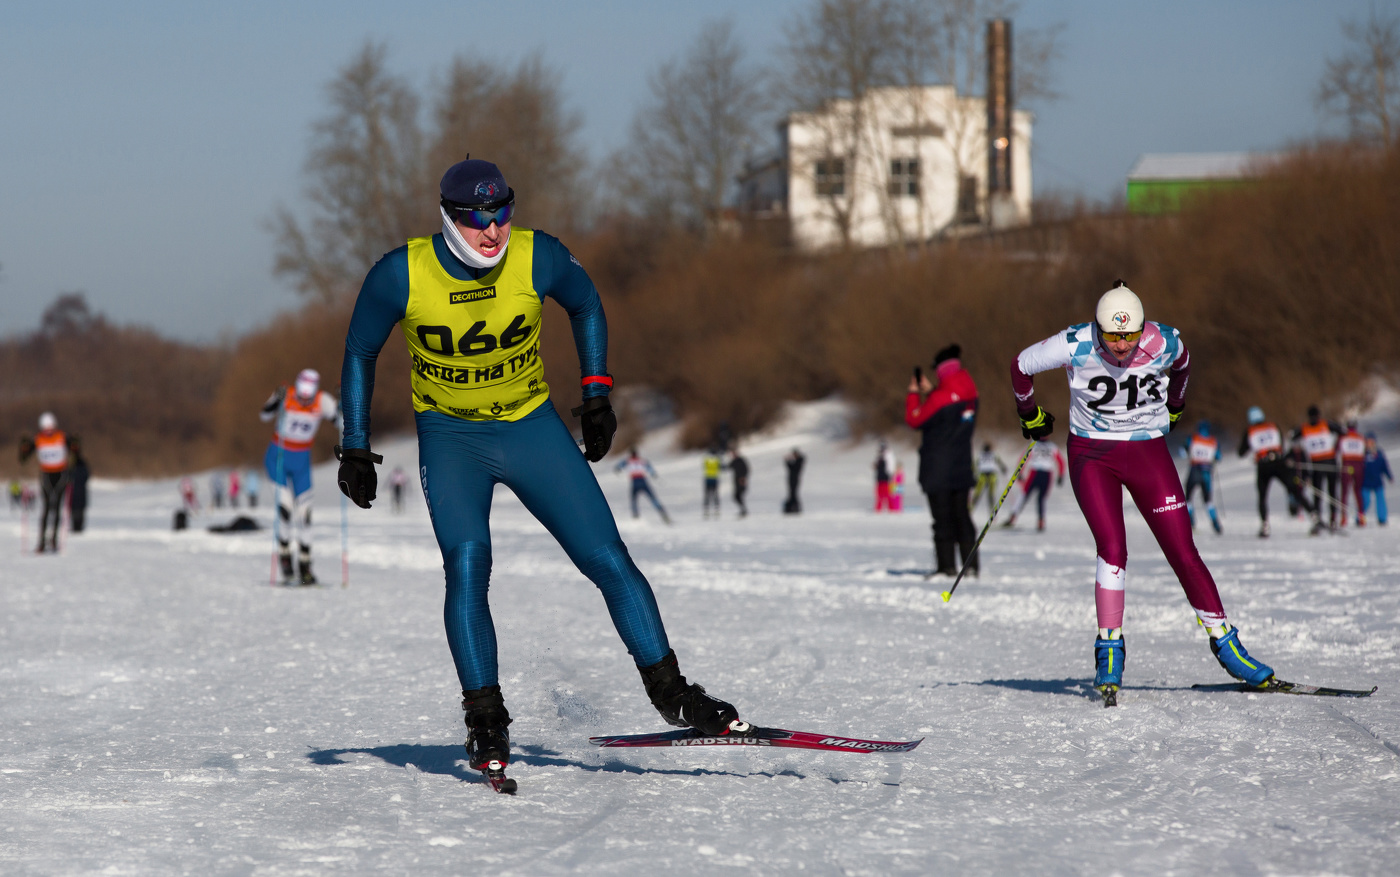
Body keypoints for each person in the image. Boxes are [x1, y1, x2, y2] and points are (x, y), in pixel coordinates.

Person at [333, 158, 744, 782]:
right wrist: (355, 447)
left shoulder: (536, 256)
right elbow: (361, 350)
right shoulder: (402, 274)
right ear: (447, 218)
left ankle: (672, 693)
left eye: (502, 213)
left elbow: (586, 304)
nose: (492, 231)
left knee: (608, 557)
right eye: (476, 220)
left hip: (531, 428)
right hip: (451, 440)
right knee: (468, 564)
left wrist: (598, 391)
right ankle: (486, 718)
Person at [1011, 280, 1279, 704]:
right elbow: (1021, 366)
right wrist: (1030, 415)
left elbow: (1185, 365)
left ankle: (1226, 644)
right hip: (1092, 455)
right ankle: (1109, 649)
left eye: (1129, 335)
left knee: (1182, 549)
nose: (1121, 345)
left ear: (1142, 328)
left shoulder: (1164, 340)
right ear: (1098, 327)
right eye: (1112, 335)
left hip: (1148, 453)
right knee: (1112, 548)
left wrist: (1176, 404)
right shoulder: (1075, 342)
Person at [260, 368, 339, 585]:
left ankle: (305, 565)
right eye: (302, 394)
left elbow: (341, 422)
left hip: (302, 461)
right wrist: (276, 400)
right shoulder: (286, 393)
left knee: (305, 513)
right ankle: (285, 558)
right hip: (278, 458)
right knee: (285, 509)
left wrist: (343, 406)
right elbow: (264, 415)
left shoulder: (322, 400)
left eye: (309, 395)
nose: (305, 399)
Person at [906, 344, 978, 577]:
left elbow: (914, 419)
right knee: (962, 516)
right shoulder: (970, 391)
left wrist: (913, 394)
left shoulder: (938, 398)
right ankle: (971, 567)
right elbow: (948, 407)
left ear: (941, 369)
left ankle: (946, 567)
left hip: (938, 468)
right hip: (962, 465)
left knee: (943, 520)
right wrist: (933, 391)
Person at [1238, 406, 1317, 538]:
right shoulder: (1273, 426)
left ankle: (1265, 526)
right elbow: (1281, 444)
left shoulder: (1250, 430)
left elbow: (1241, 452)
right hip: (1279, 462)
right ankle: (1314, 516)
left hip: (1263, 465)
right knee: (1294, 489)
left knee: (1262, 496)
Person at [17, 412, 73, 553]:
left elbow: (75, 449)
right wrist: (23, 448)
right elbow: (23, 458)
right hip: (46, 475)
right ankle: (41, 542)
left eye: (51, 427)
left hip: (61, 474)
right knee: (47, 508)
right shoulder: (38, 439)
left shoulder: (62, 436)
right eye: (45, 428)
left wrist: (75, 445)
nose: (48, 431)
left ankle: (53, 540)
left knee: (57, 508)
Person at [1292, 405, 1343, 531]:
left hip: (1320, 464)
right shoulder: (1326, 424)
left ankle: (1323, 520)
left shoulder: (1305, 428)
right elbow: (1343, 431)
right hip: (1327, 462)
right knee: (1328, 493)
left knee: (1320, 494)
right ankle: (1331, 520)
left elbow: (1292, 437)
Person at [1001, 439, 1064, 531]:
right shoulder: (1052, 446)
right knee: (1039, 498)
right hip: (1046, 474)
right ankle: (1039, 521)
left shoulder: (1034, 444)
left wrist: (1020, 472)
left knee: (1026, 495)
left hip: (1036, 473)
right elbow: (1061, 461)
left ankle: (1015, 518)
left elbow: (1023, 458)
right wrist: (1060, 475)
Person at [1181, 421, 1222, 534]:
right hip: (1206, 473)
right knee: (1208, 501)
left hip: (1194, 470)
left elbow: (1183, 452)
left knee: (1188, 498)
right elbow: (1219, 456)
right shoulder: (1213, 440)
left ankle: (1191, 522)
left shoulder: (1193, 438)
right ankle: (1215, 524)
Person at [614, 448, 670, 523]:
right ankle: (662, 513)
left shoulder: (628, 461)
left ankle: (635, 516)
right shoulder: (642, 460)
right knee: (652, 498)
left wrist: (618, 470)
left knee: (634, 499)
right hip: (643, 480)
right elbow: (650, 469)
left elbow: (619, 466)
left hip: (635, 481)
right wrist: (654, 475)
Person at [1337, 420, 1366, 526]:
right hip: (1359, 466)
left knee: (1344, 492)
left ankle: (1343, 517)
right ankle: (1361, 516)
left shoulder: (1343, 438)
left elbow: (1336, 450)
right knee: (1358, 491)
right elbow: (1365, 452)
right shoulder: (1360, 437)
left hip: (1347, 464)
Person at [1361, 433, 1391, 526]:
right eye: (1368, 441)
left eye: (1371, 441)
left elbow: (1384, 466)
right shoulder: (1363, 454)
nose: (1370, 443)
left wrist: (1389, 476)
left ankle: (1382, 518)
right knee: (1365, 501)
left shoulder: (1379, 453)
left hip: (1377, 481)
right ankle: (1360, 518)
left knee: (1381, 500)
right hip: (1365, 481)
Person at [969, 443, 1007, 517]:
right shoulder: (992, 454)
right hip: (988, 476)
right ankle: (990, 512)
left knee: (983, 495)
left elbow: (974, 466)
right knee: (985, 495)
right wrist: (1003, 468)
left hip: (985, 476)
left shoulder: (982, 455)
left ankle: (990, 512)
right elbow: (1000, 463)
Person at [67, 436, 90, 533]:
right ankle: (75, 526)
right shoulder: (69, 462)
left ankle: (78, 527)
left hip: (79, 490)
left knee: (79, 510)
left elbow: (85, 475)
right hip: (73, 491)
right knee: (74, 510)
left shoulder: (81, 462)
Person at [873, 441, 894, 512]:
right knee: (879, 495)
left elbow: (891, 467)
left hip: (886, 478)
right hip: (879, 478)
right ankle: (878, 509)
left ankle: (891, 509)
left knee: (888, 495)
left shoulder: (888, 455)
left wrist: (890, 476)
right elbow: (875, 466)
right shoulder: (879, 456)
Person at [702, 447, 723, 519]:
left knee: (707, 495)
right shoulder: (717, 459)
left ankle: (706, 511)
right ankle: (716, 510)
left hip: (708, 478)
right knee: (715, 494)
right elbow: (720, 467)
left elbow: (704, 466)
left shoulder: (707, 459)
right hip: (714, 478)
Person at [783, 447, 805, 514]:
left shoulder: (799, 461)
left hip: (795, 479)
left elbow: (792, 468)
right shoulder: (797, 461)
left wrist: (788, 461)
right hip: (791, 479)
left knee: (794, 494)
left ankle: (794, 508)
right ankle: (791, 508)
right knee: (792, 493)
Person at [730, 447, 750, 518]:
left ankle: (743, 510)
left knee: (739, 496)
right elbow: (728, 467)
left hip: (741, 481)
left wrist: (743, 478)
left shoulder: (741, 460)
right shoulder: (734, 461)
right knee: (736, 496)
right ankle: (743, 510)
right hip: (736, 481)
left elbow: (746, 470)